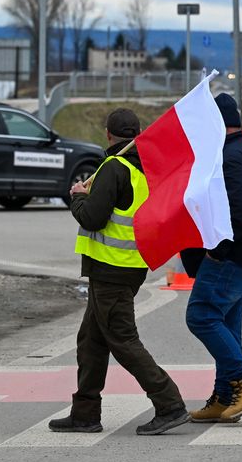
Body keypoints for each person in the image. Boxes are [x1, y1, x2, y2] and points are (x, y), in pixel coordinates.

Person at [49, 108, 188, 436]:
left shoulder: (113, 167)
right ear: (138, 133)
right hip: (130, 266)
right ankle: (85, 412)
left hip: (110, 268)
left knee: (123, 340)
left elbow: (93, 218)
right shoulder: (147, 168)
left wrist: (78, 199)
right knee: (91, 340)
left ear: (108, 135)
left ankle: (170, 404)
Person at [184, 93, 242, 424]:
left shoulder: (233, 157)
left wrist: (215, 252)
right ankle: (225, 395)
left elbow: (234, 212)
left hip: (233, 253)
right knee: (227, 323)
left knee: (201, 316)